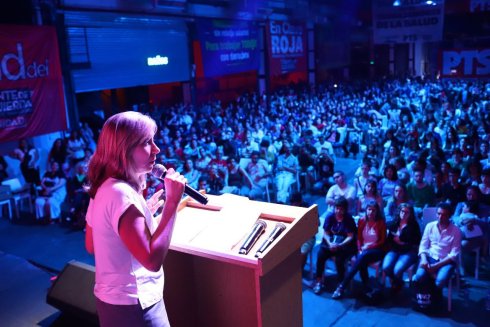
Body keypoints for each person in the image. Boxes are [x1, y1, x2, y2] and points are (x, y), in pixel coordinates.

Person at [85, 111, 186, 327]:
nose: (156, 149)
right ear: (124, 149)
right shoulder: (121, 194)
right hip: (135, 306)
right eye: (147, 142)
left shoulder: (103, 185)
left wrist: (138, 217)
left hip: (112, 304)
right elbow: (151, 261)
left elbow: (92, 244)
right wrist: (171, 204)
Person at [332, 200, 386, 299]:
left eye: (373, 210)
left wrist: (369, 246)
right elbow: (359, 238)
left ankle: (342, 286)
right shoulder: (362, 220)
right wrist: (360, 248)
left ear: (377, 212)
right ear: (366, 210)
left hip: (377, 249)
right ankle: (366, 286)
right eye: (369, 209)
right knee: (362, 260)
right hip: (363, 250)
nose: (371, 212)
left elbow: (382, 241)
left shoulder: (381, 222)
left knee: (362, 258)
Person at [412, 202, 461, 297]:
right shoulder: (430, 226)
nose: (440, 217)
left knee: (440, 281)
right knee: (419, 276)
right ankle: (428, 296)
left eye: (444, 215)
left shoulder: (456, 231)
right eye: (438, 214)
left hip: (445, 260)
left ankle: (434, 295)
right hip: (430, 257)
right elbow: (423, 246)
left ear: (449, 216)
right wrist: (424, 260)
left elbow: (453, 255)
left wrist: (436, 266)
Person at [313, 197, 357, 295]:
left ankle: (341, 284)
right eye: (337, 208)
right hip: (331, 243)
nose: (338, 211)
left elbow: (350, 236)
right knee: (320, 255)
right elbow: (325, 233)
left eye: (341, 209)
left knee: (339, 260)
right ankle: (319, 281)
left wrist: (340, 244)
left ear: (345, 209)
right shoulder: (330, 217)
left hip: (344, 245)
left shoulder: (349, 219)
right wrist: (330, 243)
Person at [382, 203, 421, 293]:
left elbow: (416, 243)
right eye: (402, 211)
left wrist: (402, 242)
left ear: (410, 214)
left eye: (407, 212)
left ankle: (397, 284)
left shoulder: (414, 226)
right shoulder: (394, 222)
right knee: (386, 267)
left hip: (409, 252)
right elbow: (389, 239)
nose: (403, 214)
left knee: (397, 270)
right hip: (394, 250)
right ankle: (398, 282)